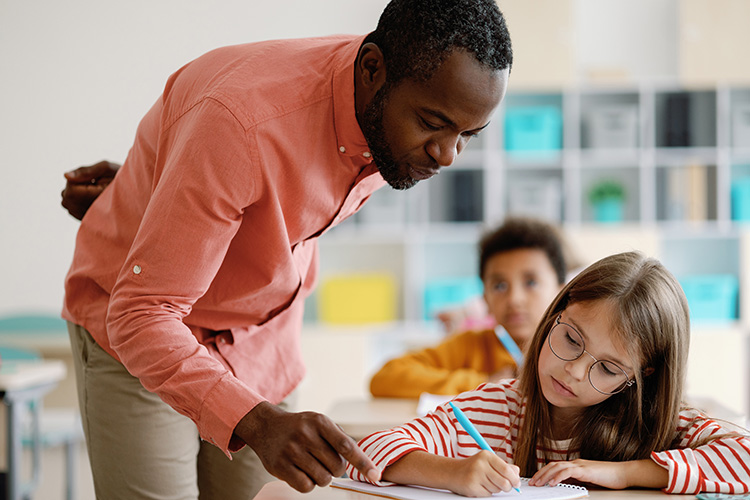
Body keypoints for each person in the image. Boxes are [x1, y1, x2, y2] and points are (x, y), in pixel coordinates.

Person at [60, 1, 513, 498]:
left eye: (468, 134)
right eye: (433, 123)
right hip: (140, 331)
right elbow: (142, 313)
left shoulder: (395, 104)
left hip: (258, 337)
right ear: (371, 70)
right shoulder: (241, 123)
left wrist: (155, 180)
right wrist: (256, 422)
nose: (447, 155)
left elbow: (238, 176)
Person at [348, 252, 750, 496]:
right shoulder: (492, 409)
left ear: (638, 377)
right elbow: (366, 453)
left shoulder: (655, 424)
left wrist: (624, 473)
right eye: (572, 339)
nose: (573, 371)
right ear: (557, 311)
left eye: (608, 368)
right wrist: (451, 472)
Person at [369, 216, 567, 398]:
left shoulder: (572, 351)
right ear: (485, 299)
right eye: (499, 286)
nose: (514, 299)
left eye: (531, 282)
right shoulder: (472, 346)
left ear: (561, 291)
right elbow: (385, 378)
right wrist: (485, 383)